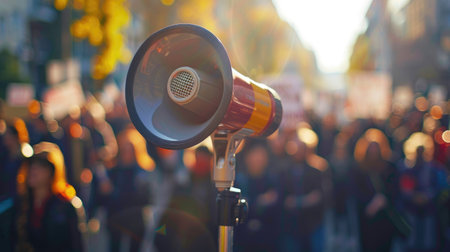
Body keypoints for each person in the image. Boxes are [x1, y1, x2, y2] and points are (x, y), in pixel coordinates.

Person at [12, 142, 84, 252]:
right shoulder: (22, 203)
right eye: (31, 165)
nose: (33, 170)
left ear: (52, 171)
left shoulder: (66, 206)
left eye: (41, 165)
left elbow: (77, 246)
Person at [98, 128, 154, 252]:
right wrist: (104, 192)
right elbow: (102, 201)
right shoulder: (113, 171)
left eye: (130, 150)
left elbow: (148, 199)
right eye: (124, 150)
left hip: (136, 220)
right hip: (116, 218)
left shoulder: (143, 172)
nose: (127, 154)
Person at [351, 129, 399, 252]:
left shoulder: (389, 166)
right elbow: (355, 191)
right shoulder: (359, 167)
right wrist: (370, 203)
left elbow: (395, 188)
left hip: (385, 216)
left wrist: (382, 200)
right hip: (366, 215)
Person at [235, 139, 280, 252]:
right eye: (255, 154)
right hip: (243, 240)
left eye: (261, 155)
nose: (258, 159)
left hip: (267, 240)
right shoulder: (239, 181)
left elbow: (276, 206)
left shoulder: (272, 180)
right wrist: (259, 201)